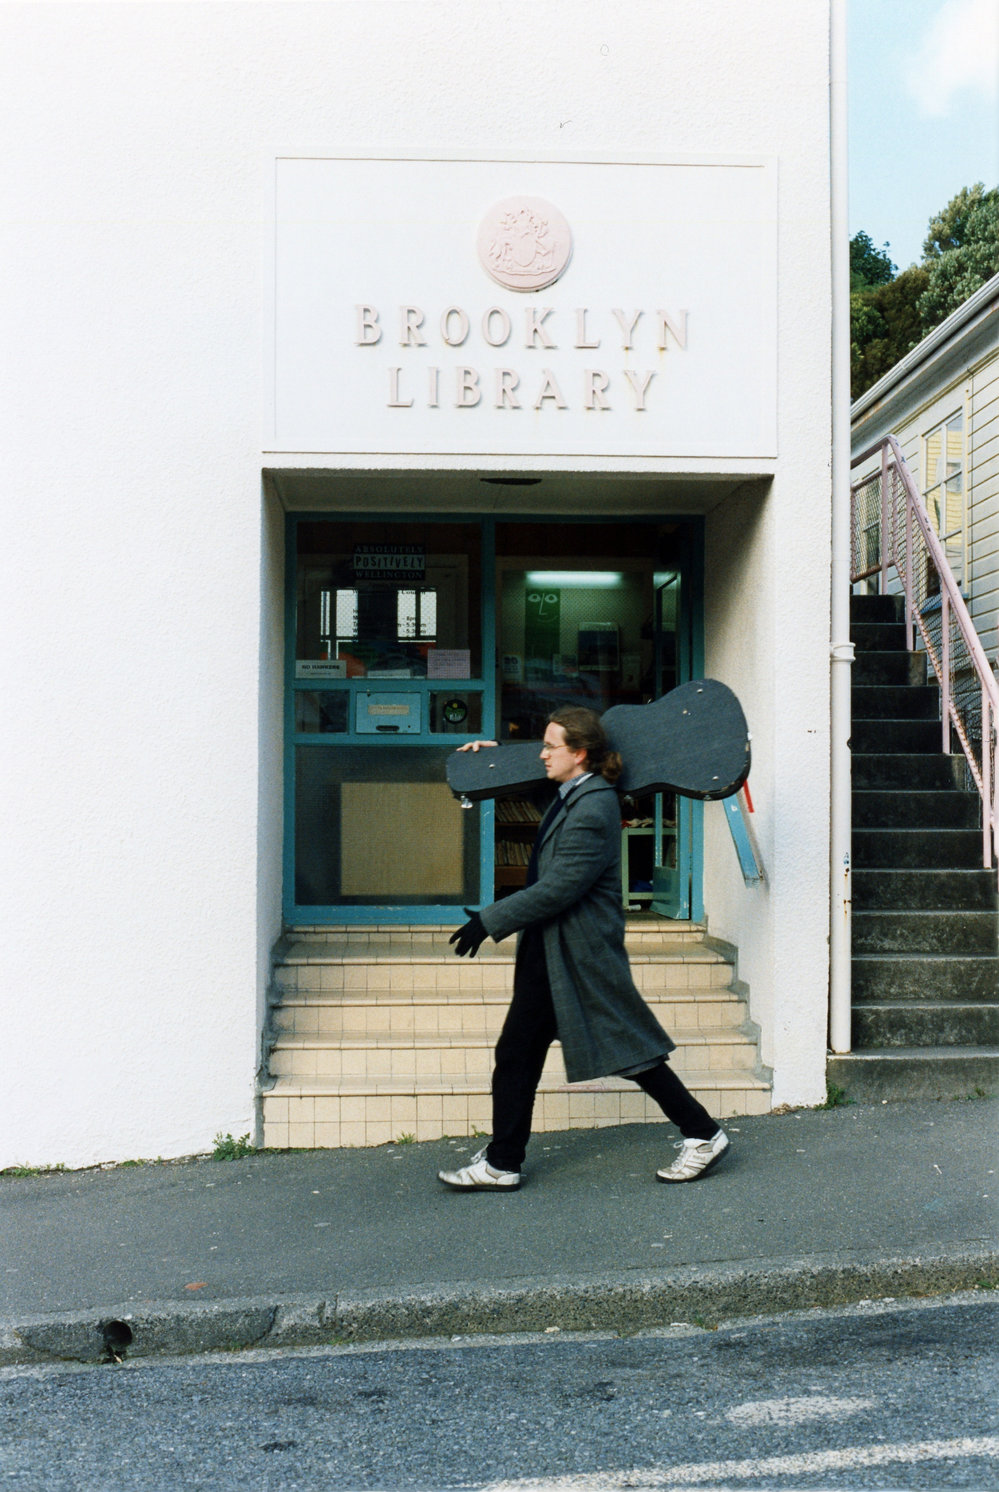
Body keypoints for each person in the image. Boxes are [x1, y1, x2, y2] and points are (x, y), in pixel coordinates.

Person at [437, 706, 730, 1192]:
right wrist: (495, 760)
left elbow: (561, 886)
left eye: (551, 746)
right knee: (518, 1054)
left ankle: (703, 1134)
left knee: (630, 1052)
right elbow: (540, 791)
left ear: (580, 753)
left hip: (578, 952)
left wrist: (491, 919)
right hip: (551, 949)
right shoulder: (574, 792)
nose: (543, 753)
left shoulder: (595, 806)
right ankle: (503, 1160)